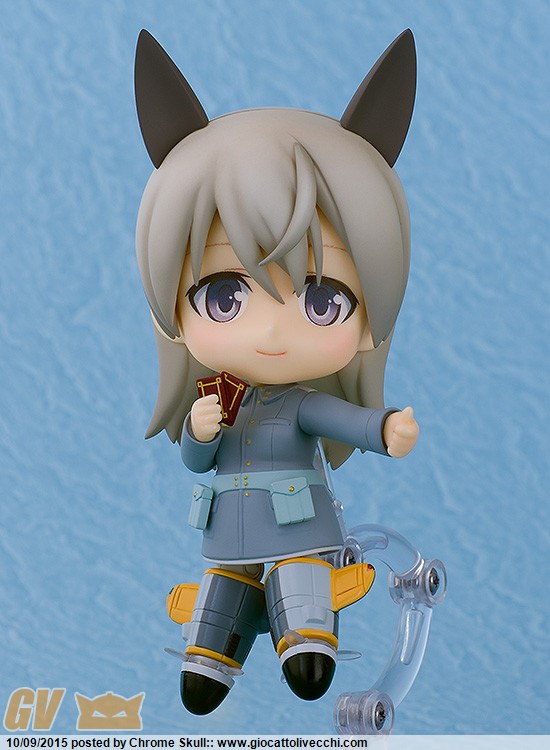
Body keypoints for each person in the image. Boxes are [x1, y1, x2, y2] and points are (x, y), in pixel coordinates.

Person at [134, 29, 419, 715]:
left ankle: (306, 630)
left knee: (301, 597)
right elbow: (197, 460)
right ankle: (214, 652)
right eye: (225, 296)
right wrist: (201, 430)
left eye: (322, 301)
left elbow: (341, 418)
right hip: (228, 541)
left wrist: (385, 428)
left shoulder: (299, 405)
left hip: (297, 535)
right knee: (218, 605)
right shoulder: (216, 396)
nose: (269, 331)